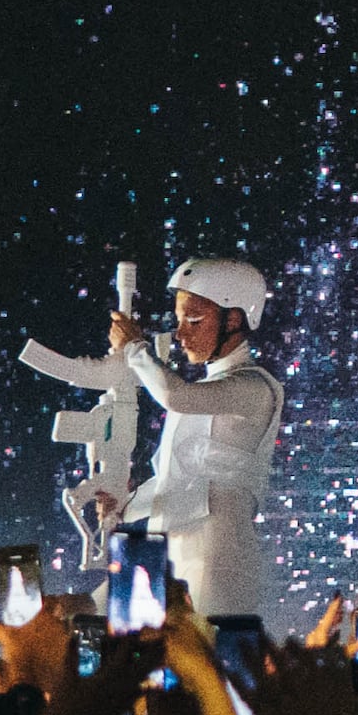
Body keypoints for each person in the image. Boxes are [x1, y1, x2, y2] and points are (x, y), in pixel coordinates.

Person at [115, 253, 284, 618]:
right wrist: (122, 506)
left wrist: (135, 350)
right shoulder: (207, 393)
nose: (180, 333)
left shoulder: (253, 387)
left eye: (194, 319)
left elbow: (176, 396)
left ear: (234, 319)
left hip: (219, 559)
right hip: (169, 551)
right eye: (178, 320)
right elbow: (176, 478)